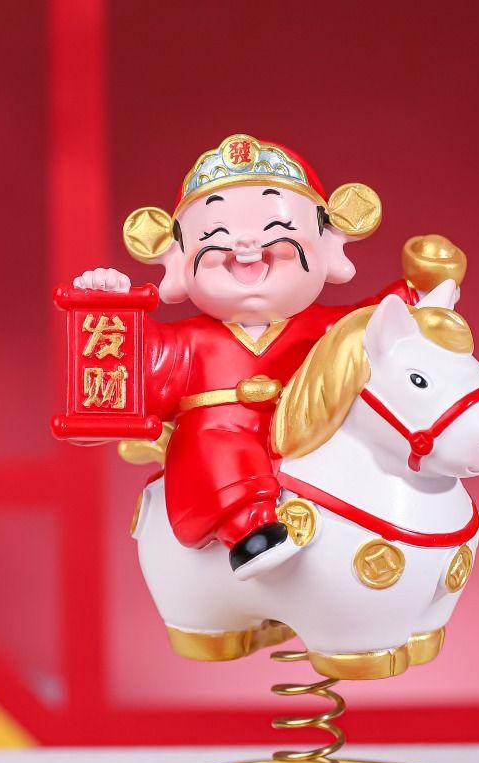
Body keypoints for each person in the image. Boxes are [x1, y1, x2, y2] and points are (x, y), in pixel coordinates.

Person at [75, 133, 424, 579]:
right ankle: (249, 532)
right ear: (177, 260)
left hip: (315, 441)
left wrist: (420, 292)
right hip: (220, 440)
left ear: (329, 244)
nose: (245, 245)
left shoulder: (328, 329)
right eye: (215, 234)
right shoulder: (188, 343)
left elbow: (377, 325)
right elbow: (132, 373)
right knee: (212, 447)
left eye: (276, 227)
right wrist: (108, 308)